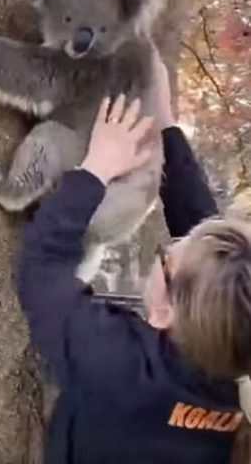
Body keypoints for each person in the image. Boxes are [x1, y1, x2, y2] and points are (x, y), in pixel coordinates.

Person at [17, 63, 251, 463]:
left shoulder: (115, 363)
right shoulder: (230, 357)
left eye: (165, 256)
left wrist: (97, 169)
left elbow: (43, 268)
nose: (170, 245)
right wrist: (166, 124)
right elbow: (205, 246)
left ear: (163, 311)